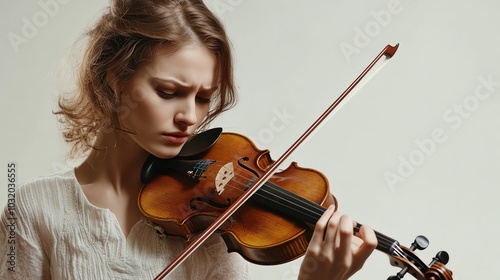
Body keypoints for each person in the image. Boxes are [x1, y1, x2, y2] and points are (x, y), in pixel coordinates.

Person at [0, 0, 377, 279]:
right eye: (168, 92)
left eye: (202, 98)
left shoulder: (211, 225)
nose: (190, 117)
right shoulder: (35, 207)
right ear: (115, 79)